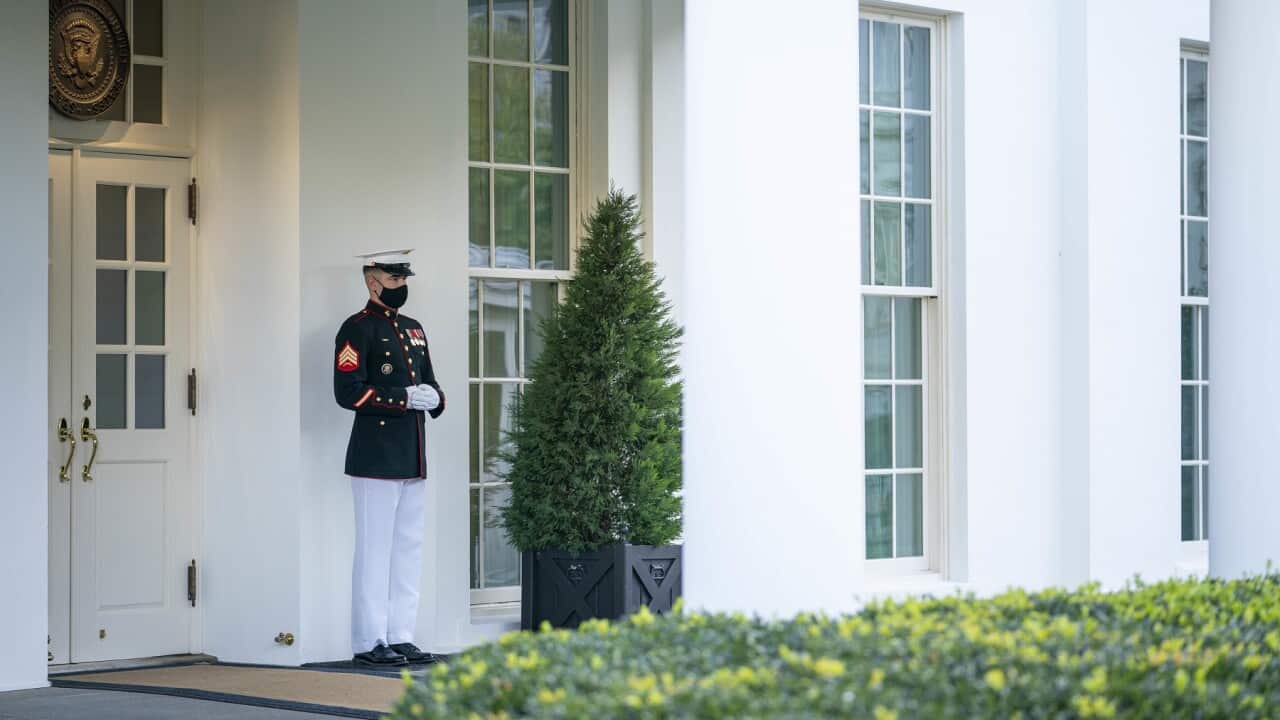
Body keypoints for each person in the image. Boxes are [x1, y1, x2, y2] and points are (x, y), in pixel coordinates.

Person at [333, 249, 445, 667]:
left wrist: (435, 398)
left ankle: (401, 634)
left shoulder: (414, 330)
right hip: (375, 456)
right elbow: (349, 392)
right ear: (372, 282)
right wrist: (402, 398)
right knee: (375, 550)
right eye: (394, 280)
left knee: (408, 549)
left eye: (403, 280)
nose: (401, 287)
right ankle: (369, 639)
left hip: (413, 454)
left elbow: (429, 381)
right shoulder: (356, 330)